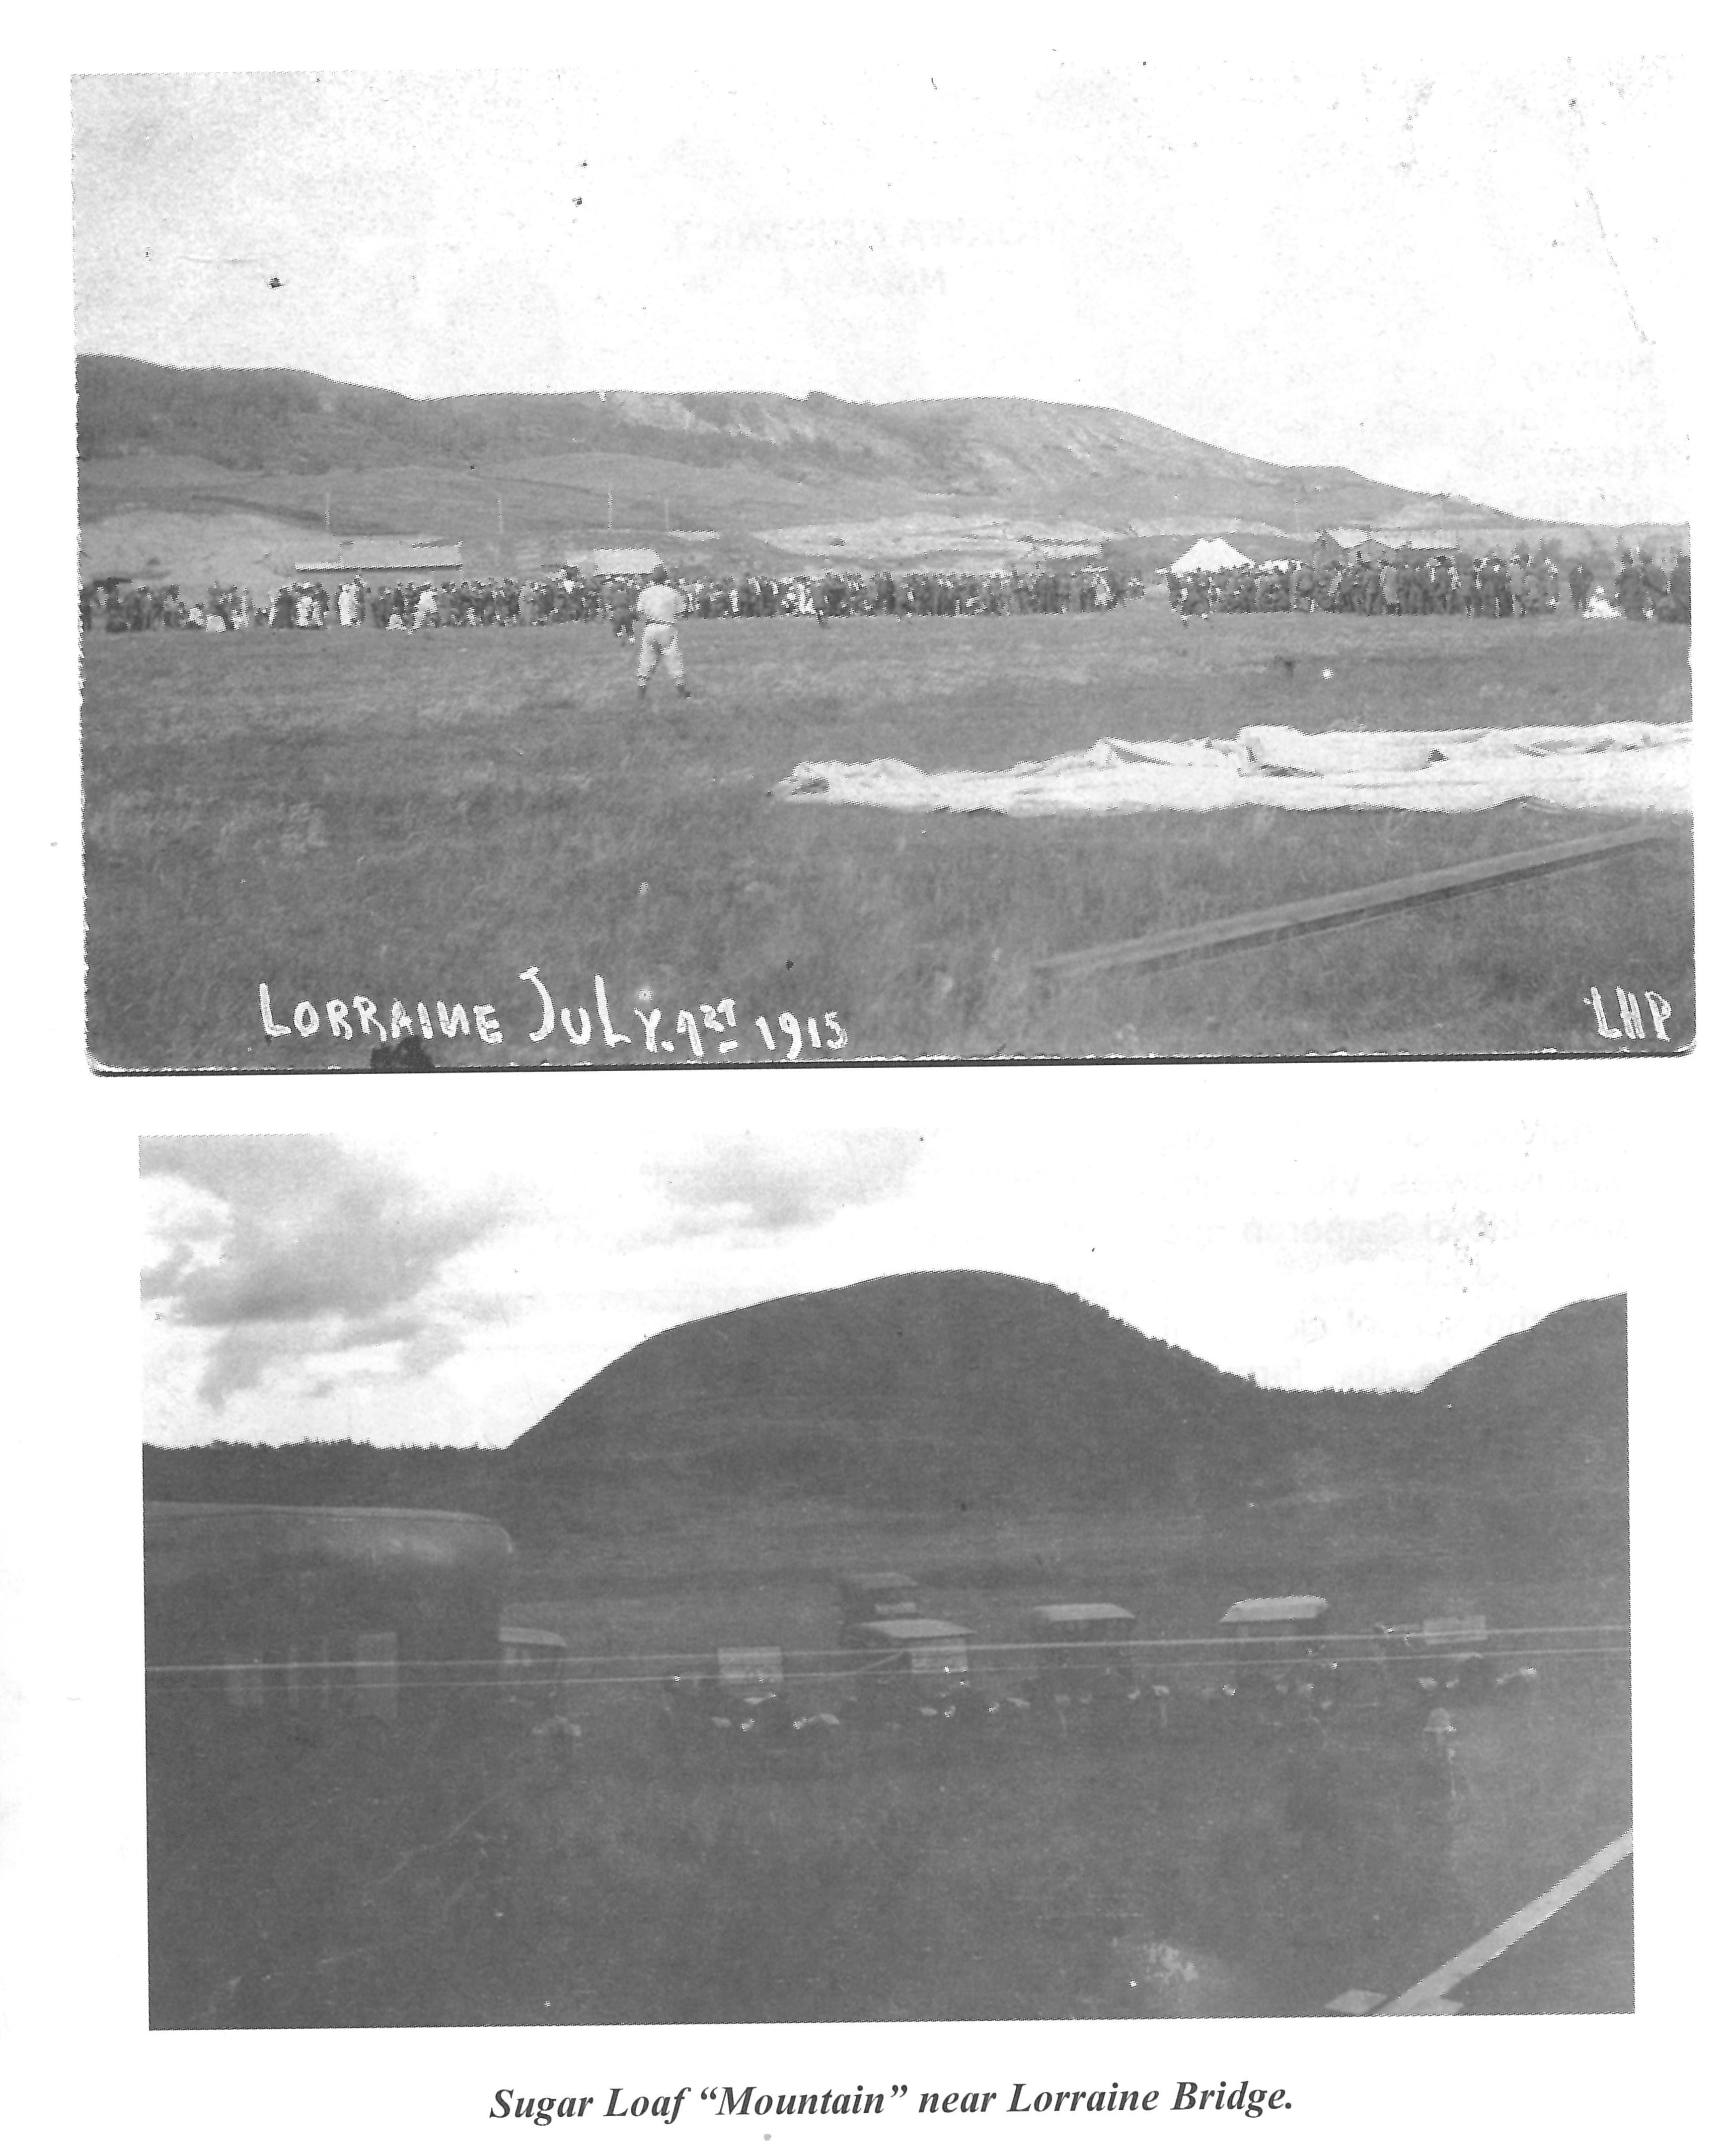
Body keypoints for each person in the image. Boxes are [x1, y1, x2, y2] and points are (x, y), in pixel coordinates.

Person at [634, 568, 691, 700]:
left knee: (647, 659)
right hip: (667, 626)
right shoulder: (673, 593)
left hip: (650, 626)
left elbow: (640, 612)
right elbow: (681, 612)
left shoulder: (645, 593)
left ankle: (641, 692)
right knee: (673, 657)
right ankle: (681, 690)